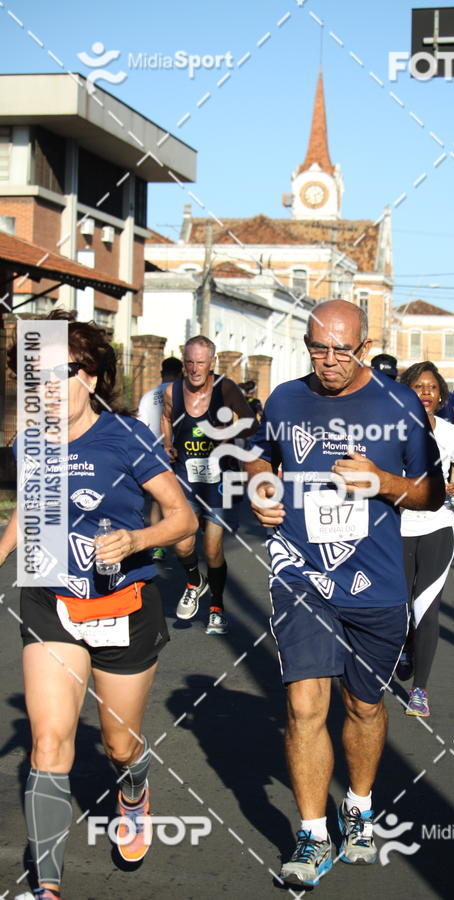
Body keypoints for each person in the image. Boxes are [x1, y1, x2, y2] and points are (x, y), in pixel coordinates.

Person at [245, 299, 444, 887]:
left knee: (363, 704)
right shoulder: (284, 398)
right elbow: (261, 456)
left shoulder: (397, 402)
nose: (327, 360)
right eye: (317, 347)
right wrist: (261, 488)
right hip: (301, 571)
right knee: (305, 706)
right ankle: (311, 836)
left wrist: (383, 483)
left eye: (341, 350)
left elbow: (432, 493)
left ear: (364, 345)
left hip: (375, 579)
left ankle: (357, 808)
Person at [1, 311, 197, 900]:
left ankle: (133, 788)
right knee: (49, 742)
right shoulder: (28, 440)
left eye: (63, 374)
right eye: (37, 378)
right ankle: (48, 889)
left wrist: (136, 540)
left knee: (118, 744)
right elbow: (24, 516)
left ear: (92, 377)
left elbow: (183, 517)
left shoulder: (128, 436)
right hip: (50, 595)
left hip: (125, 602)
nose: (49, 390)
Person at [397, 362, 454, 717]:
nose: (426, 393)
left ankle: (419, 692)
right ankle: (405, 645)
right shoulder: (387, 431)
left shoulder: (450, 434)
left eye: (432, 388)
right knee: (397, 606)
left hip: (438, 526)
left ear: (441, 395)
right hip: (395, 528)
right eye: (418, 386)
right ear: (405, 392)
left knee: (425, 608)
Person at [161, 335, 258, 635]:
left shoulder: (225, 388)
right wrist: (166, 443)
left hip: (218, 480)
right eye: (189, 362)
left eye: (200, 362)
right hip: (185, 476)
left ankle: (216, 606)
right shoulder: (171, 391)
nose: (194, 369)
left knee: (212, 547)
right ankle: (194, 581)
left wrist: (228, 436)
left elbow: (252, 422)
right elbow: (166, 418)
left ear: (212, 363)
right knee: (181, 542)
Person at [137, 356, 183, 561]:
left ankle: (157, 546)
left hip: (156, 451)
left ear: (161, 373)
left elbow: (141, 428)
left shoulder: (148, 396)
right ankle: (183, 539)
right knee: (183, 498)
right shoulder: (183, 394)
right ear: (181, 372)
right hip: (181, 451)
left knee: (157, 499)